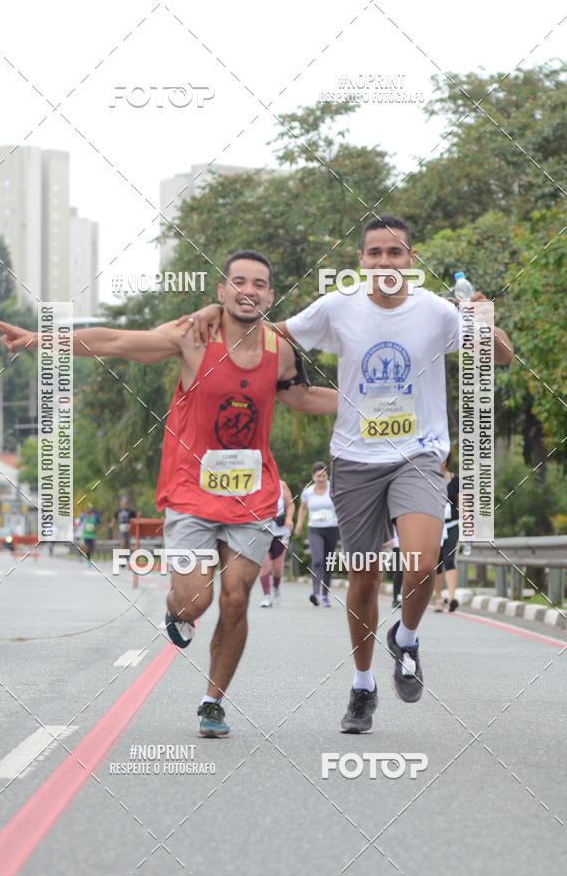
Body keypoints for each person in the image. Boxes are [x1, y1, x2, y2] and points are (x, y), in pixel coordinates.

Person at [0, 250, 337, 739]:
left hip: (252, 494)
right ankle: (178, 611)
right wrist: (42, 340)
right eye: (238, 281)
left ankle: (213, 702)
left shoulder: (280, 350)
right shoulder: (193, 336)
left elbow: (301, 396)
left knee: (237, 598)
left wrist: (368, 406)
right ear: (221, 290)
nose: (248, 291)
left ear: (271, 295)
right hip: (192, 490)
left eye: (259, 284)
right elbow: (116, 341)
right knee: (196, 602)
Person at [187, 215, 514, 735]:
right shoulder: (338, 307)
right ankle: (362, 686)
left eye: (396, 253)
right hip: (356, 460)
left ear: (411, 260)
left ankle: (406, 639)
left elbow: (502, 356)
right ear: (361, 260)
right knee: (363, 574)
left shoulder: (437, 311)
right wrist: (219, 311)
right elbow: (270, 333)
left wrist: (482, 322)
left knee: (421, 562)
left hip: (419, 454)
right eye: (375, 253)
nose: (385, 262)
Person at [294, 461, 339, 607]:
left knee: (328, 562)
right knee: (318, 560)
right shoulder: (308, 492)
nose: (321, 479)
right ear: (313, 477)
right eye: (318, 476)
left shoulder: (334, 489)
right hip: (315, 529)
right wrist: (299, 524)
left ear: (327, 476)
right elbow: (302, 508)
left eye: (324, 476)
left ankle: (325, 595)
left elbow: (342, 506)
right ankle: (315, 593)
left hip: (332, 528)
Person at [259, 479, 294, 607]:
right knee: (265, 566)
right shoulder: (256, 484)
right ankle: (267, 596)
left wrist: (289, 519)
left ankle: (276, 588)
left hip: (280, 531)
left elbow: (290, 504)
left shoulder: (281, 485)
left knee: (277, 568)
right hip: (262, 531)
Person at [433, 453, 460, 612]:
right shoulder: (430, 480)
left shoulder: (456, 480)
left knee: (449, 560)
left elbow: (463, 503)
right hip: (435, 525)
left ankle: (451, 598)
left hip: (452, 524)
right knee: (437, 562)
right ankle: (438, 598)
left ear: (446, 461)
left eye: (441, 459)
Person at [110, 497, 137, 573]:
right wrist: (111, 524)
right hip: (121, 530)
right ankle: (122, 560)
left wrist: (131, 526)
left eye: (125, 503)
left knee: (127, 545)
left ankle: (126, 557)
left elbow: (134, 521)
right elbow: (114, 519)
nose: (123, 505)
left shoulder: (131, 512)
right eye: (122, 503)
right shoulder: (118, 512)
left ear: (127, 504)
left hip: (128, 531)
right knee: (122, 544)